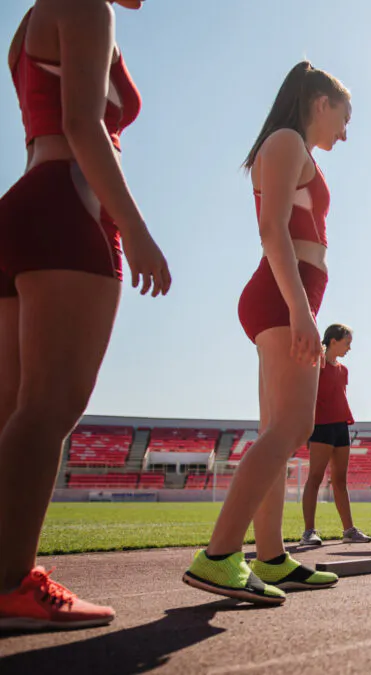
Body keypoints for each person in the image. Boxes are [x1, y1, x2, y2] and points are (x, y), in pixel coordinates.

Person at [0, 0, 171, 631]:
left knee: (15, 410)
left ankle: (8, 576)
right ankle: (13, 584)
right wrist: (135, 227)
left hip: (25, 204)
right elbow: (83, 123)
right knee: (49, 408)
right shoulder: (88, 6)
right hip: (68, 212)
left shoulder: (29, 20)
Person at [183, 61, 349, 605]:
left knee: (279, 429)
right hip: (283, 297)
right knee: (295, 426)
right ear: (319, 101)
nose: (345, 132)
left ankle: (271, 558)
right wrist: (302, 314)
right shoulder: (286, 141)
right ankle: (218, 555)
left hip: (289, 296)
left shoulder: (295, 148)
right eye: (344, 117)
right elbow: (271, 229)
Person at [300, 324, 371, 546]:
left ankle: (349, 530)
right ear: (333, 341)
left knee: (340, 481)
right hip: (320, 426)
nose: (349, 348)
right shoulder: (315, 364)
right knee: (315, 478)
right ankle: (309, 532)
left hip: (341, 426)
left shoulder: (343, 369)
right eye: (347, 343)